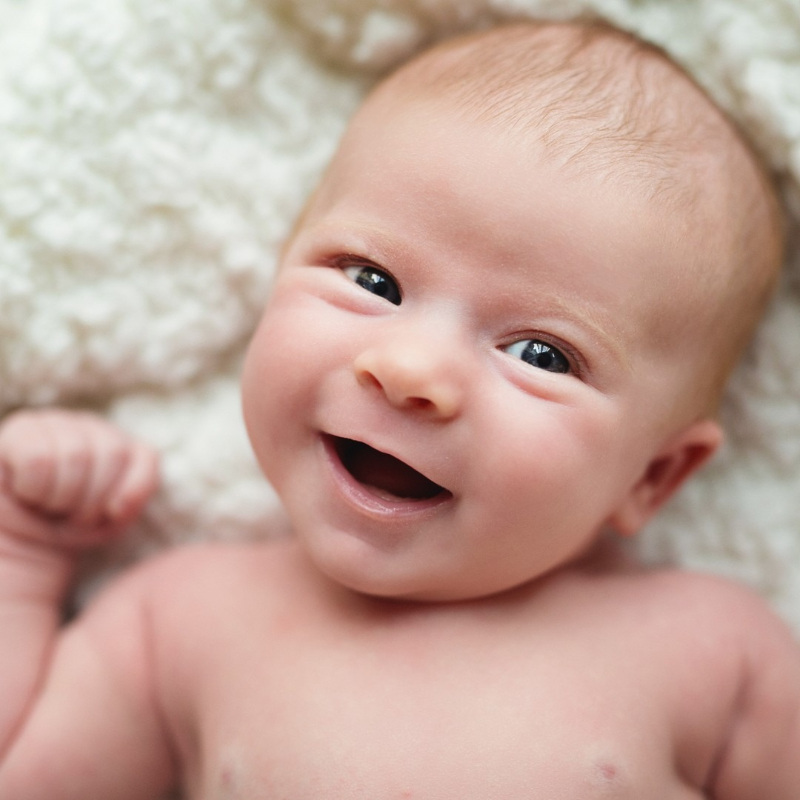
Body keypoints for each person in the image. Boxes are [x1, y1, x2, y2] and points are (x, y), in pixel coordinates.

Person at [0, 19, 798, 799]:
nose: (413, 370)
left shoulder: (710, 649)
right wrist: (21, 557)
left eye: (541, 355)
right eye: (372, 280)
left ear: (654, 475)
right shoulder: (176, 623)